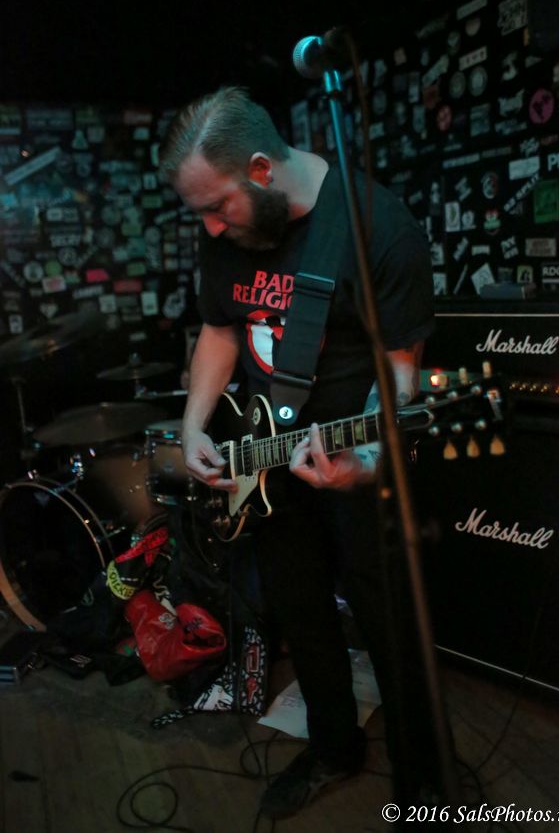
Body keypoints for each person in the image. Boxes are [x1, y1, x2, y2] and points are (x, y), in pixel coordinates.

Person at [159, 87, 437, 818]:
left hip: (355, 460)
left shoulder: (379, 227)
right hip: (265, 462)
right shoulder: (226, 231)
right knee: (302, 611)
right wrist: (194, 425)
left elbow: (400, 374)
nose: (211, 228)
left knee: (388, 622)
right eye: (201, 214)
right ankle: (334, 746)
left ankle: (422, 777)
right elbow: (221, 328)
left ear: (261, 169)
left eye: (218, 207)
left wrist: (367, 461)